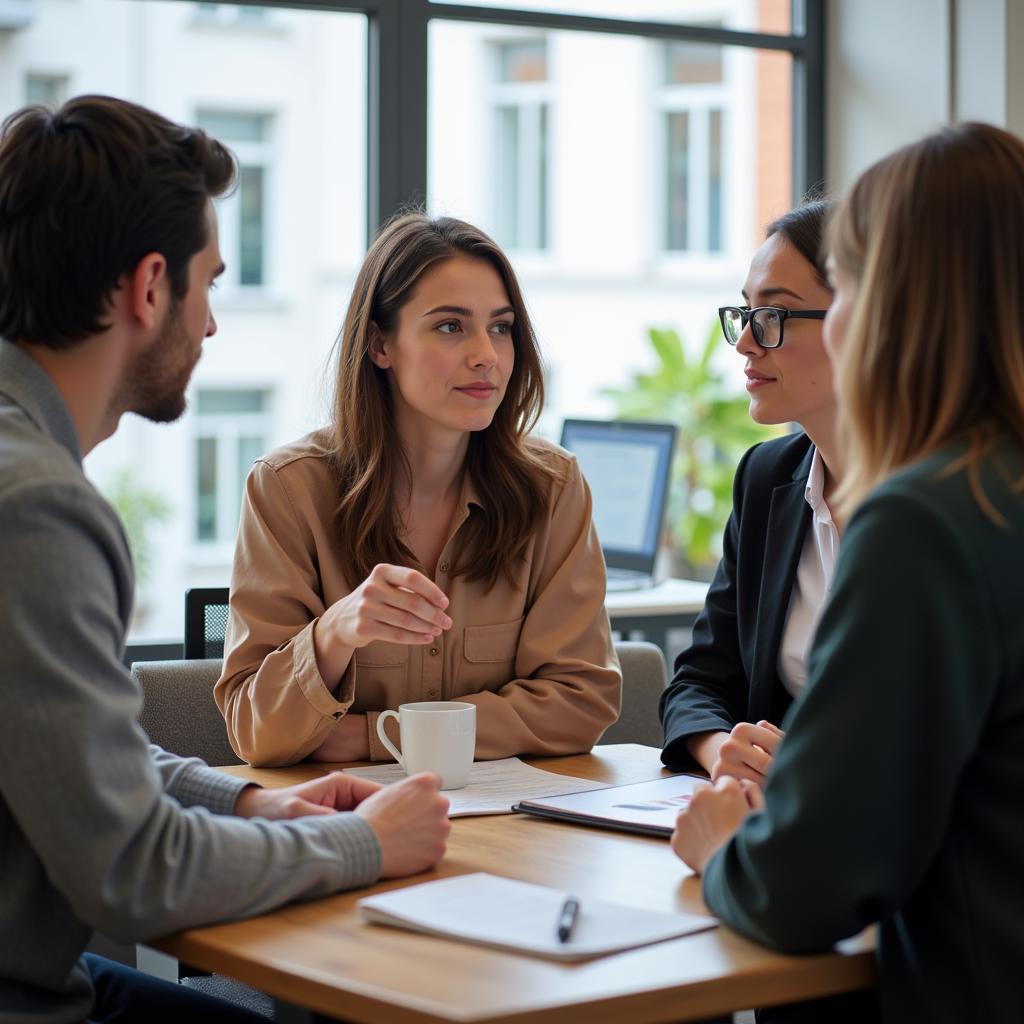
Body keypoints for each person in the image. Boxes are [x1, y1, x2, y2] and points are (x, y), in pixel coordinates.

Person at [0, 95, 451, 1024]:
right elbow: (133, 869)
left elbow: (74, 757)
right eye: (210, 282)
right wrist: (364, 845)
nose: (210, 325)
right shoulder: (37, 511)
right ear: (149, 286)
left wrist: (247, 804)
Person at [672, 122, 1024, 1024]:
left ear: (903, 302)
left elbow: (804, 890)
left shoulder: (927, 518)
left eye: (855, 278)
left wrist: (722, 848)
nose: (751, 340)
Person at [215, 213, 621, 768]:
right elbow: (255, 731)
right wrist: (335, 631)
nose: (487, 355)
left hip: (513, 832)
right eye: (451, 326)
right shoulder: (287, 490)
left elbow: (582, 700)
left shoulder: (552, 487)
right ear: (381, 344)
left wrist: (374, 737)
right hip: (345, 830)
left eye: (501, 327)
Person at [659, 200, 836, 788]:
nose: (746, 344)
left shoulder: (946, 502)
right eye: (747, 313)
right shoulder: (768, 478)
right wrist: (722, 751)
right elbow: (700, 680)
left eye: (775, 316)